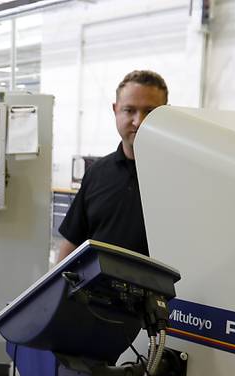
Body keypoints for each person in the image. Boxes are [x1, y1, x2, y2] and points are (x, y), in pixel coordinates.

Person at [57, 70, 169, 262]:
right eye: (129, 110)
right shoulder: (96, 173)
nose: (138, 121)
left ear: (165, 113)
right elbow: (72, 242)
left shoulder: (180, 176)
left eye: (150, 112)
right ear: (115, 110)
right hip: (99, 291)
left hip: (161, 292)